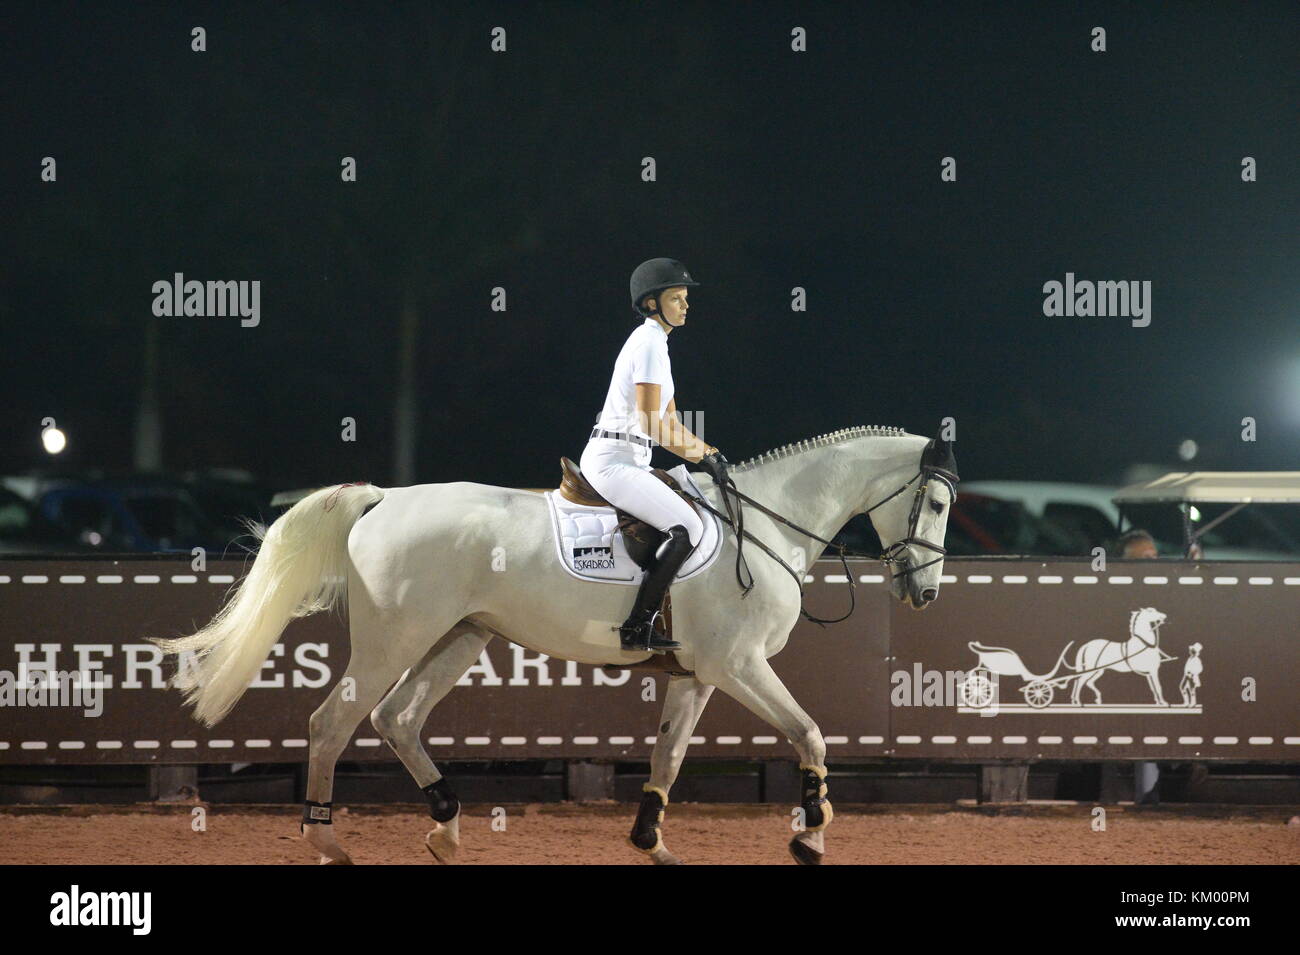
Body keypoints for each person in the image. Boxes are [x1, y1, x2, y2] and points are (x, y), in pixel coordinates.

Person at [580, 258, 729, 652]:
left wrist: (708, 452)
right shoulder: (647, 343)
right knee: (690, 528)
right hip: (614, 460)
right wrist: (704, 456)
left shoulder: (657, 344)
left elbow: (672, 423)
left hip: (631, 459)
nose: (685, 305)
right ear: (651, 304)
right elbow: (651, 424)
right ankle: (636, 627)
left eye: (684, 298)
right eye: (676, 298)